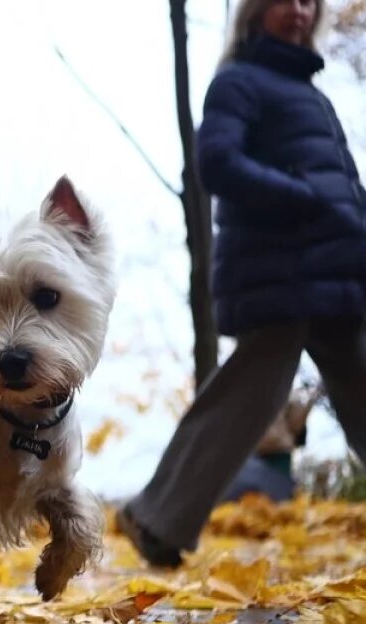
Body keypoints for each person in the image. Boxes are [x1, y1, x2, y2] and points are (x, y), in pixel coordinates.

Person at [117, 0, 366, 568]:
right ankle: (155, 516)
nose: (298, 10)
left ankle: (156, 516)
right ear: (254, 12)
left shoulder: (312, 94)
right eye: (284, 0)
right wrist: (301, 197)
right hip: (281, 270)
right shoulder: (239, 81)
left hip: (333, 272)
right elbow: (217, 161)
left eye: (309, 1)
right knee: (249, 393)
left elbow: (340, 187)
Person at [221, 385, 322, 503]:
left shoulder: (286, 395)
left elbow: (296, 424)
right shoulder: (282, 393)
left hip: (274, 451)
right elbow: (296, 425)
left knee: (276, 495)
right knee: (258, 496)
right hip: (258, 452)